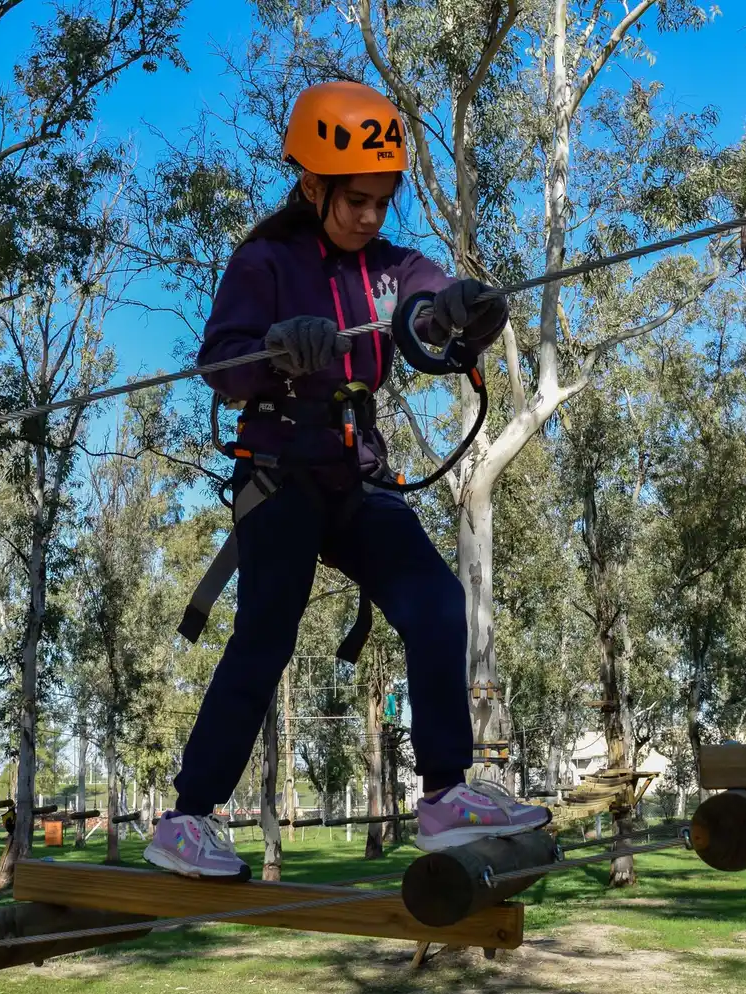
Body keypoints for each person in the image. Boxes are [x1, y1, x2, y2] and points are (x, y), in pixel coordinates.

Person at [144, 81, 550, 881]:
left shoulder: (394, 268)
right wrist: (273, 348)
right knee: (266, 634)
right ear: (311, 184)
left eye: (383, 200)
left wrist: (461, 311)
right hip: (282, 474)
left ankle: (444, 797)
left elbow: (426, 304)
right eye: (356, 200)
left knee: (437, 604)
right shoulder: (264, 261)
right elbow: (220, 362)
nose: (371, 216)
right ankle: (186, 820)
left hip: (358, 478)